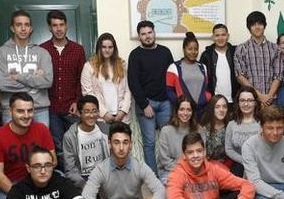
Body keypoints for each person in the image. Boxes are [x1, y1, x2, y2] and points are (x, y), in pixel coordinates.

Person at [0, 92, 56, 199]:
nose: (26, 115)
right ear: (10, 111)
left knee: (62, 188)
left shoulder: (42, 129)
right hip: (8, 184)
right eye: (20, 111)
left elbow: (53, 161)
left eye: (30, 111)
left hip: (37, 178)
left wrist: (39, 185)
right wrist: (24, 196)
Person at [40, 10, 86, 168]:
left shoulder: (78, 50)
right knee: (56, 146)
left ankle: (77, 179)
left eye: (61, 25)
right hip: (50, 108)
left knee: (76, 145)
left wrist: (77, 101)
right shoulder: (42, 49)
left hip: (71, 108)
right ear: (50, 28)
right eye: (55, 25)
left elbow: (82, 78)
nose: (58, 29)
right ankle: (63, 180)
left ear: (66, 26)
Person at [127, 20, 174, 173]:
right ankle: (152, 177)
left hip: (165, 104)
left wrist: (172, 101)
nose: (147, 36)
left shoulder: (165, 52)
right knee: (149, 143)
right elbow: (133, 82)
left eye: (149, 32)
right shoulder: (135, 55)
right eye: (143, 34)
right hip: (146, 104)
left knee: (168, 140)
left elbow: (172, 76)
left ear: (154, 33)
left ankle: (169, 173)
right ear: (139, 37)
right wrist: (144, 105)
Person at [0, 10, 53, 126]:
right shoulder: (0, 53)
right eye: (19, 25)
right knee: (12, 144)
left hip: (39, 109)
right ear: (12, 28)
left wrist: (17, 77)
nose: (23, 28)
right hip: (10, 110)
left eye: (26, 25)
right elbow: (1, 84)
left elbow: (47, 81)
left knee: (40, 144)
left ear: (31, 28)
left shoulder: (42, 53)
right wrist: (34, 80)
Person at [81, 33, 131, 134]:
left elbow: (128, 90)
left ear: (114, 48)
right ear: (99, 48)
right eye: (104, 47)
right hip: (101, 118)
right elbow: (88, 93)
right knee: (104, 147)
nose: (107, 50)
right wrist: (104, 113)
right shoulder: (89, 66)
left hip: (122, 117)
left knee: (121, 148)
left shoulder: (122, 65)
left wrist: (123, 111)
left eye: (110, 47)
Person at [234, 11, 281, 107]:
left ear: (264, 25)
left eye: (260, 24)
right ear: (249, 28)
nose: (257, 27)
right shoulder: (241, 49)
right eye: (253, 25)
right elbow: (240, 76)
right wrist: (259, 96)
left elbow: (278, 75)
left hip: (271, 100)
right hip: (250, 100)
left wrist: (268, 96)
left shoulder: (275, 48)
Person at [63, 95, 110, 189]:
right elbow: (70, 169)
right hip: (83, 178)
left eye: (94, 111)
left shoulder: (105, 129)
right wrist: (85, 185)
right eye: (87, 112)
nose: (91, 115)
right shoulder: (70, 136)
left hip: (105, 175)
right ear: (80, 114)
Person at [157, 95, 203, 183]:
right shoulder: (166, 131)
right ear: (176, 111)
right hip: (170, 171)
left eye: (189, 110)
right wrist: (185, 171)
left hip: (194, 170)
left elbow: (202, 155)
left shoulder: (199, 130)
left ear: (192, 112)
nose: (185, 113)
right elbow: (165, 161)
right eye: (181, 109)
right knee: (175, 191)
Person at [165, 32, 211, 115]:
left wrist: (206, 99)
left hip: (202, 110)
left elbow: (207, 87)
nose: (193, 52)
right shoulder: (174, 67)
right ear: (184, 50)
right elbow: (169, 90)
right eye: (189, 49)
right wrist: (180, 104)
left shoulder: (203, 67)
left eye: (196, 49)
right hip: (184, 112)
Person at [225, 87, 262, 177]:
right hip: (239, 164)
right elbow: (228, 149)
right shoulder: (231, 124)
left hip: (260, 164)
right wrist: (244, 161)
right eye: (242, 100)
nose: (246, 104)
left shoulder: (262, 123)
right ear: (238, 103)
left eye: (249, 100)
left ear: (255, 103)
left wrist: (252, 163)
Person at [199, 24, 239, 105]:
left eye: (223, 35)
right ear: (213, 37)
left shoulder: (235, 52)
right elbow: (201, 79)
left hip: (234, 101)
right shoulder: (206, 55)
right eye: (217, 35)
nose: (220, 38)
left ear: (228, 36)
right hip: (214, 101)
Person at [200, 94, 231, 169]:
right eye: (217, 107)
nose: (221, 110)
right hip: (208, 168)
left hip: (228, 167)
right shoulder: (203, 130)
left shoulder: (230, 127)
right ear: (212, 109)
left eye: (224, 106)